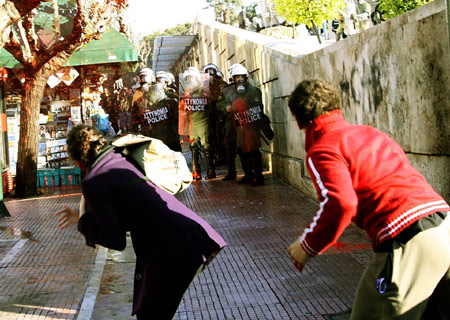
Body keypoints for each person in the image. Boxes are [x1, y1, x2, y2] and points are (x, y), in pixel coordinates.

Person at [286, 79, 450, 319]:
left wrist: (308, 245)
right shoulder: (370, 133)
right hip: (444, 225)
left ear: (300, 121)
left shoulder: (322, 149)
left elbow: (341, 202)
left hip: (407, 239)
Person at [54, 124, 226, 320]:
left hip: (171, 246)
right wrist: (83, 215)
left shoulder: (93, 181)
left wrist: (84, 222)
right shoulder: (117, 157)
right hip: (184, 233)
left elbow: (116, 240)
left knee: (150, 314)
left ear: (78, 161)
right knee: (150, 312)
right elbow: (128, 206)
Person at [224, 64, 266, 186]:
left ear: (246, 77)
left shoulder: (253, 91)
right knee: (241, 149)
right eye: (237, 77)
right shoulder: (230, 92)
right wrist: (226, 107)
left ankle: (258, 177)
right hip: (238, 125)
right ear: (233, 79)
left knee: (253, 150)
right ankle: (248, 175)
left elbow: (258, 107)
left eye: (241, 77)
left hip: (251, 124)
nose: (240, 79)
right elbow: (225, 103)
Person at [179, 67, 215, 181]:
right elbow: (182, 108)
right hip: (192, 123)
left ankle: (211, 170)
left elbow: (210, 105)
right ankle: (196, 171)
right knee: (193, 147)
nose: (190, 81)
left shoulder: (203, 91)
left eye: (191, 78)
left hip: (202, 120)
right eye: (188, 79)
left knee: (206, 146)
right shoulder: (186, 93)